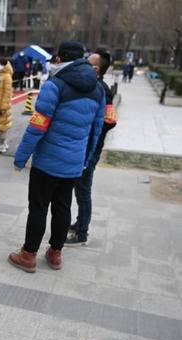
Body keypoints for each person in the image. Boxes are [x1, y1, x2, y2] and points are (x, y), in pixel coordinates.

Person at [9, 40, 105, 273]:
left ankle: (28, 255)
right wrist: (85, 159)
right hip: (74, 163)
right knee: (63, 207)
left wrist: (20, 157)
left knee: (39, 207)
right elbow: (96, 129)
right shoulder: (98, 88)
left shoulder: (55, 85)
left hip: (47, 162)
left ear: (59, 59)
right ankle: (55, 253)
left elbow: (37, 126)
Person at [66, 49, 117, 246]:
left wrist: (91, 132)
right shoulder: (91, 85)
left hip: (90, 150)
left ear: (96, 68)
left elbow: (110, 121)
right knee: (80, 190)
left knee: (83, 191)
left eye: (87, 62)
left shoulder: (102, 89)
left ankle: (82, 232)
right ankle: (80, 222)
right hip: (84, 147)